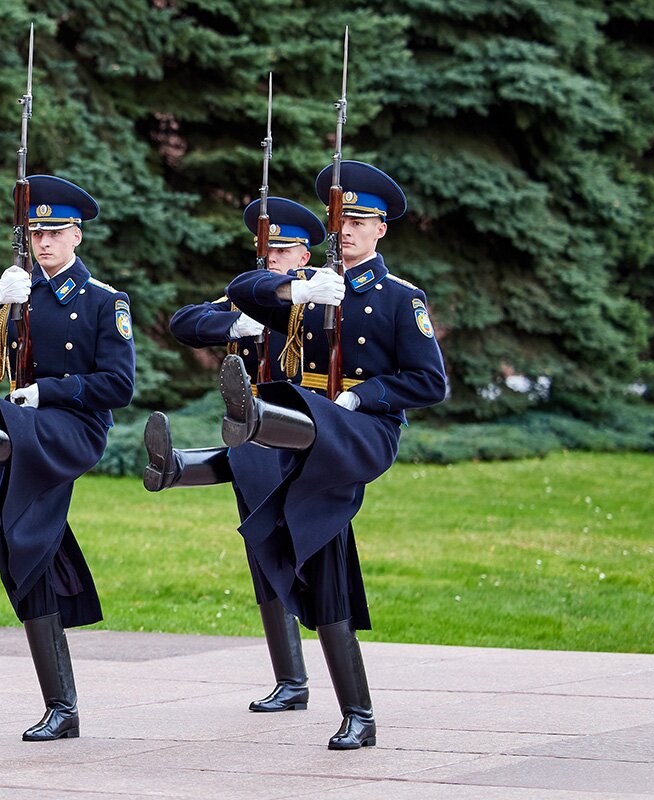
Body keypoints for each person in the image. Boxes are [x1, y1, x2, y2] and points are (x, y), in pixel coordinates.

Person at [161, 161, 444, 749]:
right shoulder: (310, 287)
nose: (347, 230)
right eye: (340, 219)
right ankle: (205, 450)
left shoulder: (399, 299)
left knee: (325, 552)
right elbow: (236, 292)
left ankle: (358, 714)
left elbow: (429, 382)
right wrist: (293, 290)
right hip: (299, 434)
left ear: (381, 230)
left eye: (360, 221)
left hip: (358, 433)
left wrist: (363, 394)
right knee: (277, 533)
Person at [0, 175, 135, 742]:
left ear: (77, 237)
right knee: (22, 545)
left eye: (55, 233)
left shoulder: (103, 302)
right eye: (36, 233)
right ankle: (61, 709)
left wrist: (49, 393)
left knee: (5, 418)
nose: (43, 243)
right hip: (25, 432)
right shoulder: (21, 293)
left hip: (72, 427)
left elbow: (119, 385)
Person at [144, 197, 324, 717]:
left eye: (283, 250)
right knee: (261, 548)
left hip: (303, 432)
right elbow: (183, 322)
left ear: (304, 253)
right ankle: (290, 680)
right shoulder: (245, 296)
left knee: (284, 546)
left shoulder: (319, 294)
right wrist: (232, 326)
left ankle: (178, 466)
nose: (272, 259)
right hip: (250, 437)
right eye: (267, 251)